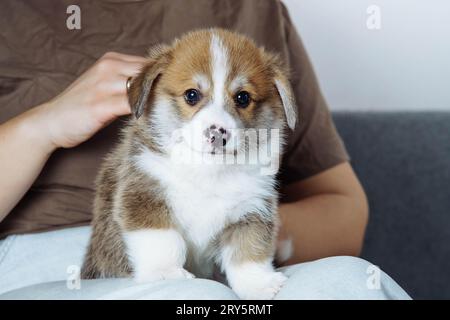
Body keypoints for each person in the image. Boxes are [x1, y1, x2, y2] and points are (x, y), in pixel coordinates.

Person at [0, 0, 410, 299]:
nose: (218, 123)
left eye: (242, 99)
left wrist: (238, 234)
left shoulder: (258, 8)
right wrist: (43, 126)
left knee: (353, 283)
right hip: (53, 264)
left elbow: (344, 209)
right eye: (193, 95)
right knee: (189, 300)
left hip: (226, 265)